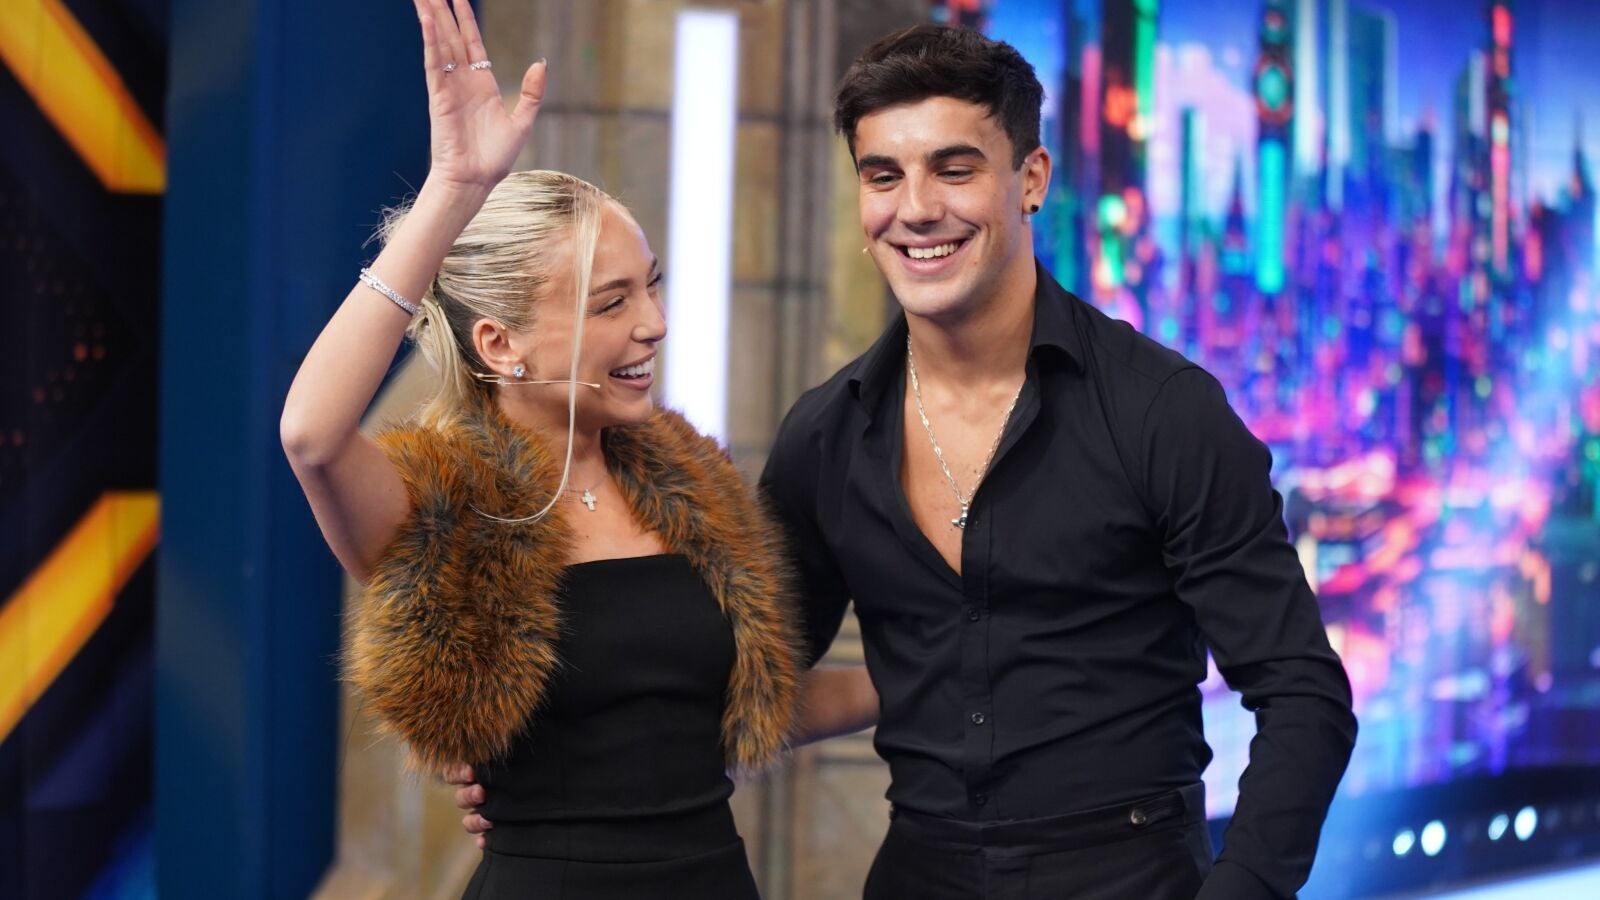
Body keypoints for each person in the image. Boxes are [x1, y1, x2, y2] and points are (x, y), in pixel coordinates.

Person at [458, 22, 1357, 900]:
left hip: (1132, 870)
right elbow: (737, 686)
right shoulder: (825, 436)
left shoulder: (1162, 411)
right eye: (883, 175)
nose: (916, 208)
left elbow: (1303, 693)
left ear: (1031, 179)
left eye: (954, 169)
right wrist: (546, 761)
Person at [281, 2, 875, 898]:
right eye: (612, 303)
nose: (655, 324)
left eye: (652, 289)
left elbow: (745, 710)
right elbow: (311, 434)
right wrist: (454, 189)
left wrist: (962, 666)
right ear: (500, 345)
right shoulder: (443, 506)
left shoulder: (696, 488)